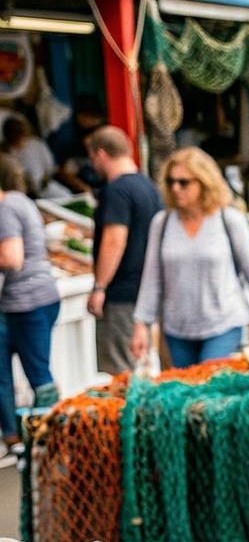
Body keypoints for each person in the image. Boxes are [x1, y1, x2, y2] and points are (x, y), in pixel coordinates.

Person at [131, 147, 249, 369]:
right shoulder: (162, 224)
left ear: (204, 183)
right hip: (177, 327)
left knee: (211, 386)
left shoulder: (228, 220)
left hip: (224, 323)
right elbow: (152, 277)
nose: (176, 188)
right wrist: (142, 323)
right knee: (185, 393)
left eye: (184, 182)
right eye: (171, 182)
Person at [85, 126, 162, 376]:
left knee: (122, 373)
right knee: (143, 368)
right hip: (147, 290)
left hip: (122, 294)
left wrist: (100, 286)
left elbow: (114, 240)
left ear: (101, 154)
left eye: (92, 158)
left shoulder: (117, 191)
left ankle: (128, 416)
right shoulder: (149, 187)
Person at [0, 156, 63, 448]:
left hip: (27, 302)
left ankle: (50, 435)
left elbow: (12, 258)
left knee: (38, 372)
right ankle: (18, 433)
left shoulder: (7, 207)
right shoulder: (23, 201)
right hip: (33, 298)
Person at [2, 117, 55, 194]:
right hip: (18, 192)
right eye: (14, 131)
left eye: (19, 131)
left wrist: (45, 181)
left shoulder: (36, 144)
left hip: (44, 187)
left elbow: (49, 167)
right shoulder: (5, 154)